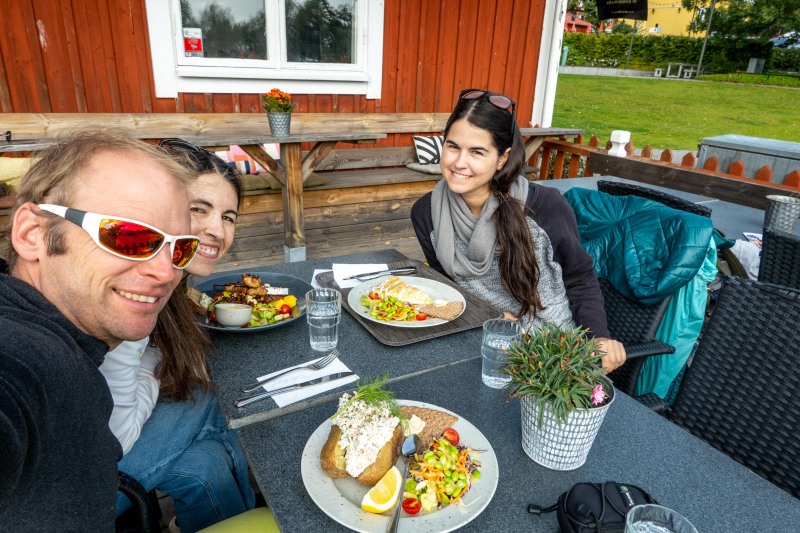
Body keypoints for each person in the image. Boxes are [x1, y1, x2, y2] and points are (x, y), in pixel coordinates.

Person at [0, 130, 198, 530]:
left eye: (180, 249)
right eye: (128, 237)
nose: (166, 272)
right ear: (32, 234)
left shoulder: (71, 346)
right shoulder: (28, 353)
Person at [411, 89, 626, 372]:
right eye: (453, 147)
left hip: (554, 354)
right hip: (479, 343)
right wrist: (491, 314)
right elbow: (449, 287)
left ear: (502, 158)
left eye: (477, 152)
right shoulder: (426, 214)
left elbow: (580, 277)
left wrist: (598, 336)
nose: (459, 163)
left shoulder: (546, 207)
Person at [101, 139, 255, 532]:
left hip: (106, 444)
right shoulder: (136, 286)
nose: (216, 230)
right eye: (198, 209)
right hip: (80, 488)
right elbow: (120, 434)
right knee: (213, 396)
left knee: (205, 468)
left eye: (228, 217)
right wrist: (152, 370)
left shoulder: (174, 286)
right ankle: (262, 505)